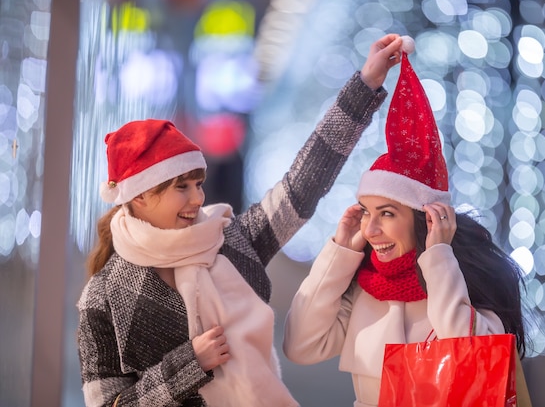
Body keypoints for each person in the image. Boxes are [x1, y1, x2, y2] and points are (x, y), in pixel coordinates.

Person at [76, 34, 405, 407]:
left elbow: (305, 180)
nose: (197, 199)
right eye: (180, 187)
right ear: (139, 195)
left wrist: (365, 85)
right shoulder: (105, 294)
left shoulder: (230, 240)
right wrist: (189, 364)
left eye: (198, 184)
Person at [282, 51, 527, 407]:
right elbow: (300, 345)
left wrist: (439, 256)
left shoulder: (466, 283)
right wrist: (339, 252)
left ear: (422, 218)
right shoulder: (364, 288)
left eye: (387, 214)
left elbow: (471, 352)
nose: (371, 229)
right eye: (366, 213)